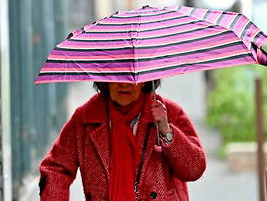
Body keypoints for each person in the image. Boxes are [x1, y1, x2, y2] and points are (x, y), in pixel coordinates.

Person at [39, 81, 206, 201]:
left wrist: (166, 130)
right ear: (105, 80)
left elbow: (194, 170)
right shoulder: (85, 118)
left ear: (145, 80)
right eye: (116, 74)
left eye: (132, 76)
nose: (124, 83)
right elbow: (55, 169)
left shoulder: (169, 112)